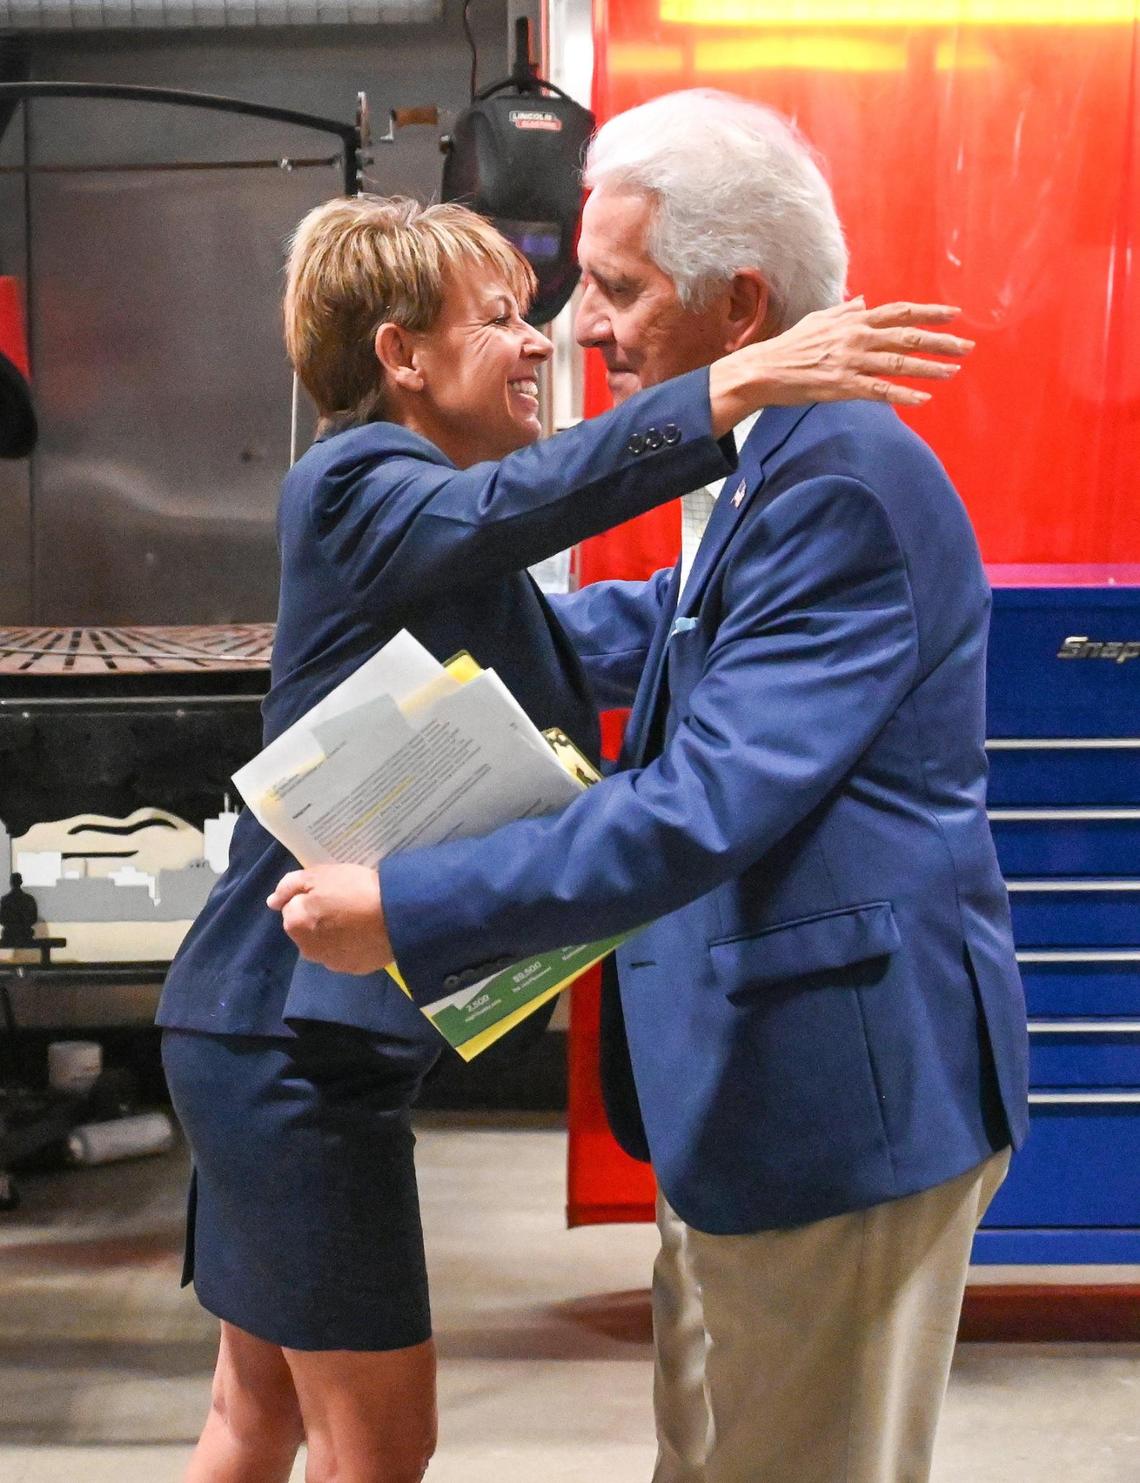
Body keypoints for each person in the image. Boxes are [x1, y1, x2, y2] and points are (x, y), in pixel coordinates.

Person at [271, 93, 1030, 1483]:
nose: (579, 328)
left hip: (836, 1102)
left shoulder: (841, 478)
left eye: (616, 289)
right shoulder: (768, 470)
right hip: (756, 1096)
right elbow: (648, 630)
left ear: (741, 305)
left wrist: (413, 902)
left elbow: (698, 804)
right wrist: (404, 639)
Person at [0, 872, 38, 946]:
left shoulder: (5, 900)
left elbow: (2, 919)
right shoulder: (29, 899)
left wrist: (13, 926)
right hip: (26, 934)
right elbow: (34, 918)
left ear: (11, 883)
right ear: (21, 882)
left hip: (9, 934)